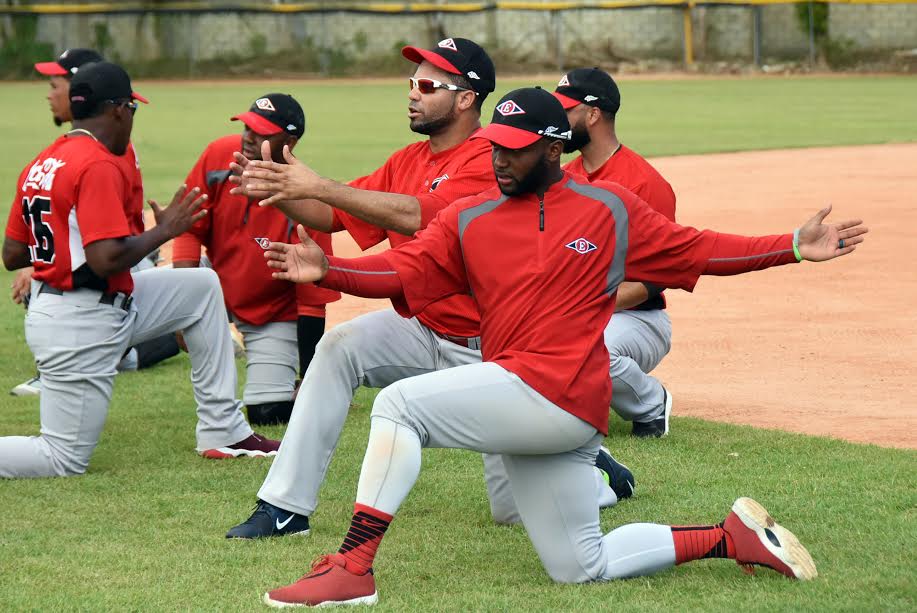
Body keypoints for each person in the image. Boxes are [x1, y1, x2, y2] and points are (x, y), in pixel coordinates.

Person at [257, 87, 866, 606]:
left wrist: (789, 245)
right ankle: (729, 537)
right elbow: (404, 271)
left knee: (400, 407)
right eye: (495, 144)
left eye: (515, 150)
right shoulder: (469, 216)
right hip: (537, 404)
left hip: (561, 391)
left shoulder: (610, 208)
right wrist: (328, 272)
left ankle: (353, 569)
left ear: (553, 148)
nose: (499, 158)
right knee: (582, 565)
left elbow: (701, 248)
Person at [224, 39, 634, 539]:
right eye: (410, 84)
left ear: (465, 98)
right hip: (422, 328)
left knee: (511, 510)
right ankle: (284, 507)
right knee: (339, 348)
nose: (412, 95)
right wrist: (281, 190)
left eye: (425, 85)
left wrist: (319, 185)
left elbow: (421, 214)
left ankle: (593, 473)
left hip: (494, 354)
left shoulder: (499, 157)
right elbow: (335, 214)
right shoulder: (408, 159)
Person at [0, 62, 280, 478]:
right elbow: (105, 259)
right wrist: (165, 230)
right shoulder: (96, 163)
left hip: (84, 305)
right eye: (133, 108)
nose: (132, 117)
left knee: (200, 287)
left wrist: (63, 249)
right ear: (118, 110)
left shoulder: (45, 159)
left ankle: (224, 430)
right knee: (60, 458)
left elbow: (12, 253)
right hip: (80, 320)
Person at [11, 48, 179, 397]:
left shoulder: (103, 153)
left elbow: (105, 251)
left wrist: (43, 259)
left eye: (57, 83)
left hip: (121, 262)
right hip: (98, 265)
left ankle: (131, 352)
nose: (50, 93)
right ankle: (130, 352)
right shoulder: (80, 152)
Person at [170, 94, 340, 426]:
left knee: (267, 413)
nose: (248, 137)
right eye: (248, 126)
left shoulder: (307, 202)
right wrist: (182, 306)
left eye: (261, 132)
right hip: (213, 287)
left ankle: (331, 388)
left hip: (273, 314)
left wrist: (311, 377)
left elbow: (311, 302)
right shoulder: (220, 156)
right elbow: (190, 228)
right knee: (132, 305)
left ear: (289, 142)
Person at [554, 67, 677, 437]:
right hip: (573, 314)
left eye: (564, 110)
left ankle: (651, 401)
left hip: (637, 319)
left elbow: (658, 277)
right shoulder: (562, 177)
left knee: (585, 349)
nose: (556, 120)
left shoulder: (645, 182)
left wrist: (588, 308)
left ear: (592, 114)